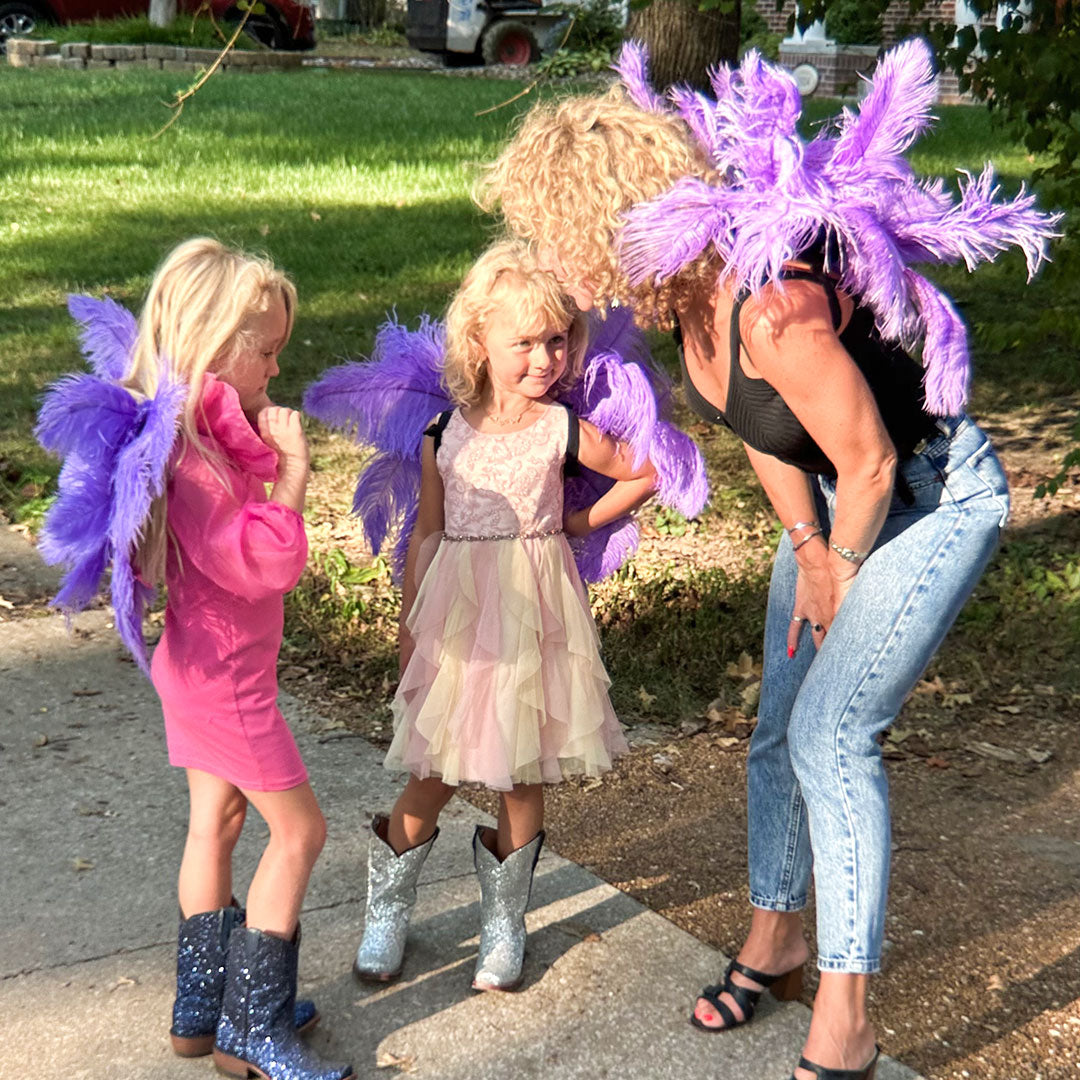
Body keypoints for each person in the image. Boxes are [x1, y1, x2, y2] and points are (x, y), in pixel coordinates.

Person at [475, 39, 1053, 1080]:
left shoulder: (769, 306)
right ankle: (777, 941)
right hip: (834, 497)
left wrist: (840, 565)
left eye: (569, 250)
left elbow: (872, 458)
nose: (567, 282)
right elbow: (759, 427)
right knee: (777, 725)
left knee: (833, 732)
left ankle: (848, 1014)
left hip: (924, 492)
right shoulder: (689, 305)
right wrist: (803, 544)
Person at [39, 238, 353, 1080]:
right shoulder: (200, 460)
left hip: (198, 667)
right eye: (267, 349)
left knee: (216, 822)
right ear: (213, 344)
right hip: (229, 684)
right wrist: (291, 477)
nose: (276, 367)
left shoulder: (195, 436)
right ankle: (254, 1028)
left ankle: (200, 1011)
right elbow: (262, 562)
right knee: (301, 831)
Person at [350, 240, 655, 992]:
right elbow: (427, 530)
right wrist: (410, 622)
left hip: (535, 614)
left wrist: (581, 527)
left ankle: (503, 921)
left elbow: (644, 470)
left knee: (522, 772)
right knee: (437, 767)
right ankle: (387, 906)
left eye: (557, 341)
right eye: (524, 343)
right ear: (479, 344)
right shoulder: (442, 435)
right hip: (458, 616)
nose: (544, 359)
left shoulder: (559, 429)